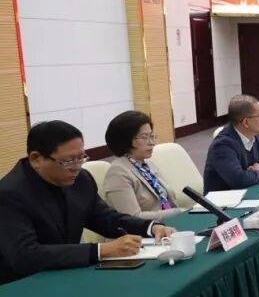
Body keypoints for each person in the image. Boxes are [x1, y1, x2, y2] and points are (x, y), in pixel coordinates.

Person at [0, 121, 175, 284]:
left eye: (81, 158)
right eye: (68, 161)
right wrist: (101, 250)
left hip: (67, 273)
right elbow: (25, 256)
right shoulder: (9, 194)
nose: (77, 167)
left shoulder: (81, 179)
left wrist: (150, 228)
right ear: (36, 159)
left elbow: (105, 218)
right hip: (22, 285)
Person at [102, 111, 185, 221]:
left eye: (151, 136)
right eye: (145, 137)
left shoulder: (147, 165)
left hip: (170, 223)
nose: (152, 142)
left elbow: (166, 199)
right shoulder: (117, 172)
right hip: (145, 230)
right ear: (127, 140)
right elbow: (131, 217)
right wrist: (176, 213)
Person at [204, 95, 259, 192]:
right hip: (225, 199)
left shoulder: (255, 136)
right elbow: (239, 181)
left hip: (249, 193)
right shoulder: (222, 146)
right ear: (246, 122)